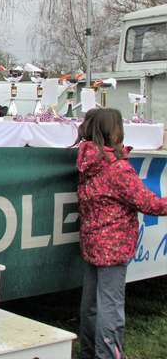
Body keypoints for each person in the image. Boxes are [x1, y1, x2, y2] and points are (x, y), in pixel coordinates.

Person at [74, 108, 167, 359]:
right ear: (113, 131)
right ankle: (107, 354)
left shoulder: (86, 161)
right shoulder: (117, 168)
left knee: (91, 304)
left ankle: (89, 352)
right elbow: (150, 204)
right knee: (110, 306)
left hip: (92, 240)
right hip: (113, 246)